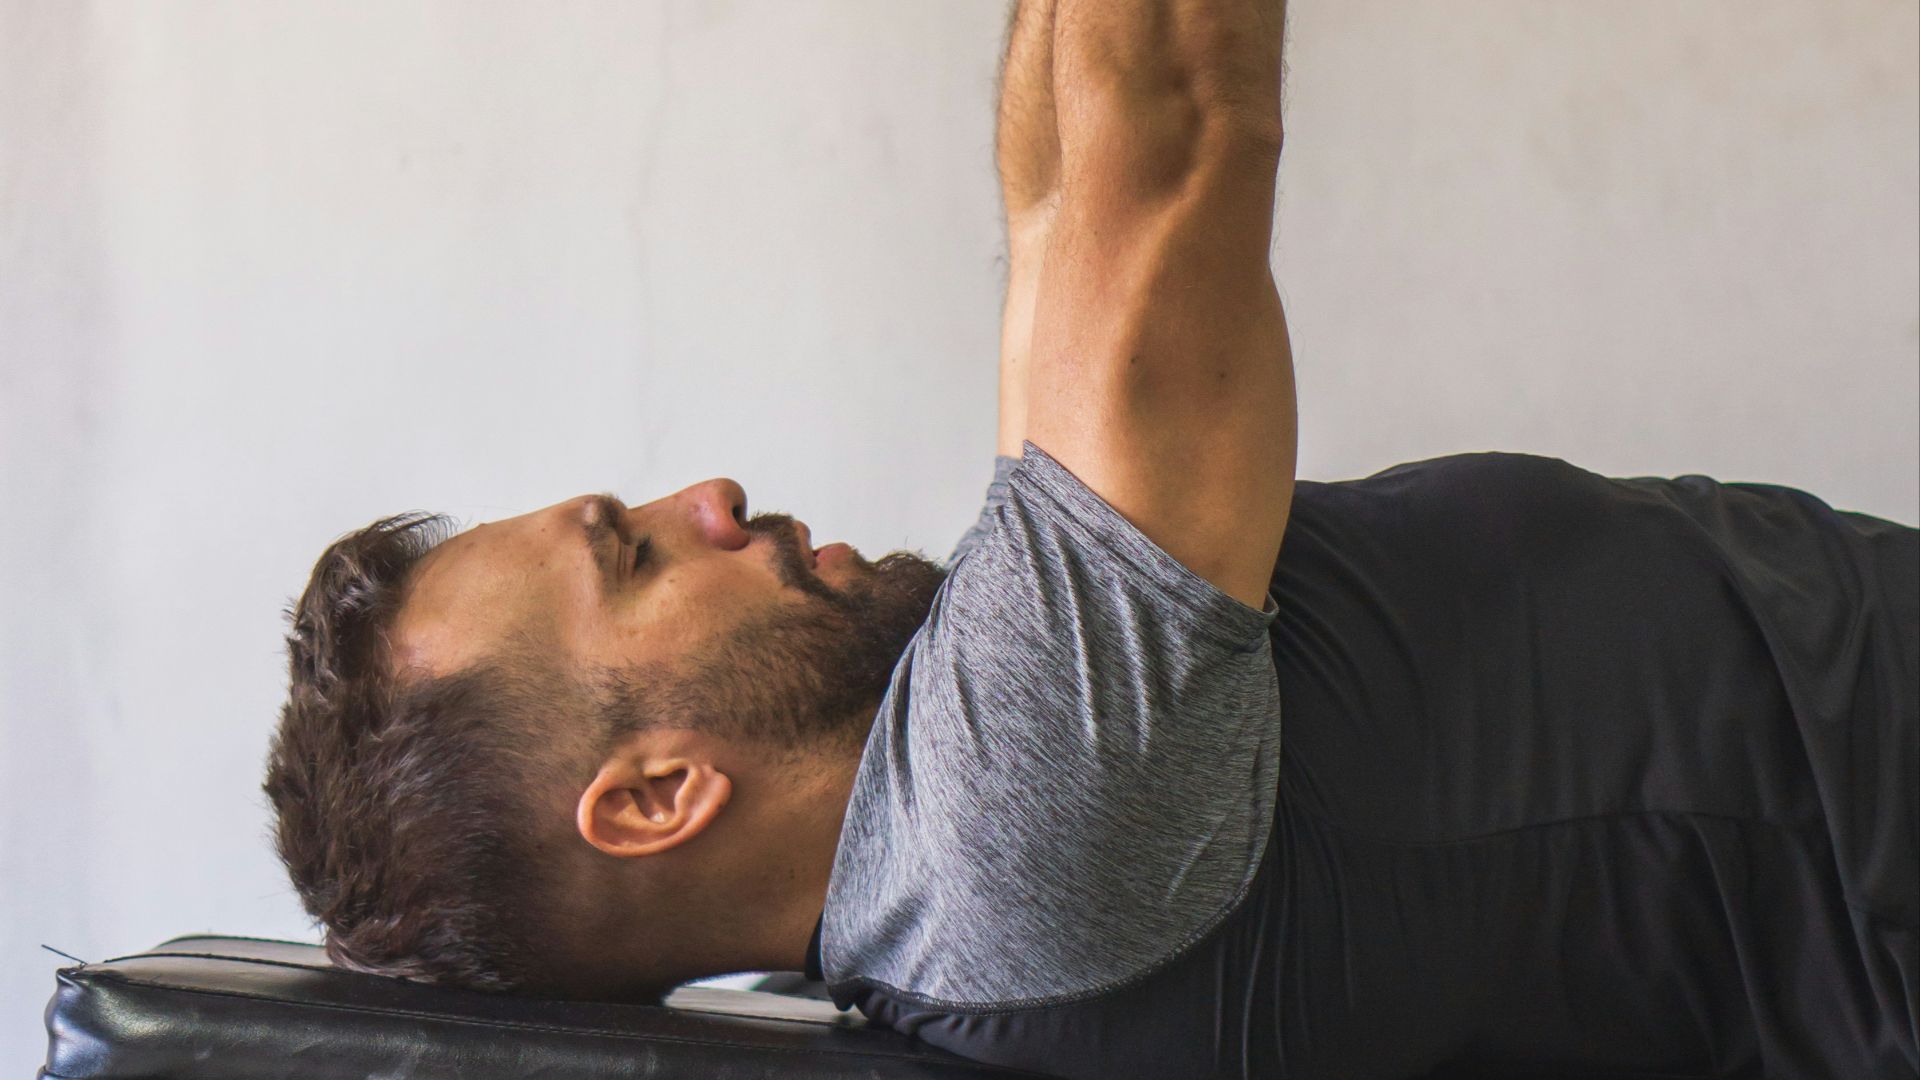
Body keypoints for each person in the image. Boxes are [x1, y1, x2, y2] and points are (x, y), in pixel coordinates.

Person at [263, 2, 1918, 1076]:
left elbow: (1066, 200)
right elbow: (1175, 117)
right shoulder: (1015, 826)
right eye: (634, 557)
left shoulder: (943, 855)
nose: (709, 501)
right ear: (654, 797)